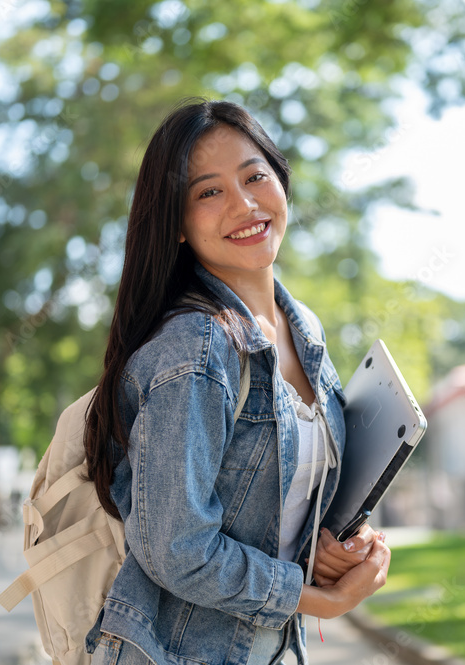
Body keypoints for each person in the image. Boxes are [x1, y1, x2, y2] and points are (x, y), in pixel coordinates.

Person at [82, 99, 390, 665]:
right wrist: (315, 599)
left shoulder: (304, 331)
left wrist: (342, 548)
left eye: (254, 177)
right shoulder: (195, 351)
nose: (244, 204)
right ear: (176, 223)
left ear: (281, 181)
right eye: (208, 192)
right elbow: (178, 548)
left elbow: (285, 505)